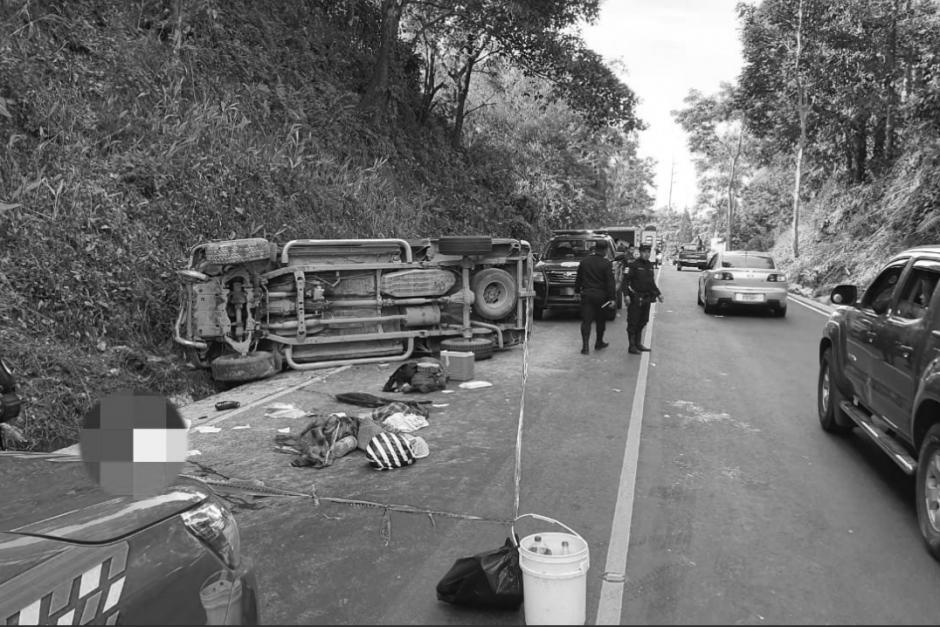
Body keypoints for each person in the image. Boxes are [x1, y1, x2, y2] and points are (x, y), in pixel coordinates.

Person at [574, 240, 616, 355]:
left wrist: (577, 292)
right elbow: (610, 283)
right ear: (605, 250)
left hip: (587, 296)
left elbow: (578, 279)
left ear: (595, 249)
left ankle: (585, 347)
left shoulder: (584, 262)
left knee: (586, 321)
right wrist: (612, 298)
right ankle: (598, 342)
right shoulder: (606, 263)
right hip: (601, 298)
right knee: (600, 321)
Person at [623, 243, 664, 354]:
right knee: (633, 322)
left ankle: (638, 344)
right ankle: (631, 346)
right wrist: (626, 295)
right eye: (644, 252)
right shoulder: (633, 265)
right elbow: (625, 281)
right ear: (640, 252)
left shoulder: (650, 265)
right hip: (635, 298)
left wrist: (659, 294)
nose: (647, 254)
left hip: (646, 298)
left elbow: (651, 283)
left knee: (643, 321)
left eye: (648, 252)